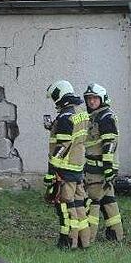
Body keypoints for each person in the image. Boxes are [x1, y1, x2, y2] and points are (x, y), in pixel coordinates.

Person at [44, 80, 92, 249]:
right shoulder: (81, 114)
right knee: (79, 206)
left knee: (65, 206)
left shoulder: (65, 117)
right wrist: (53, 127)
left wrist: (51, 171)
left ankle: (67, 242)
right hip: (77, 166)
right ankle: (83, 242)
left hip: (64, 169)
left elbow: (62, 146)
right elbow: (75, 138)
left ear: (60, 96)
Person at [82, 83, 123, 242]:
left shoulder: (105, 117)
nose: (91, 102)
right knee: (109, 202)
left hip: (98, 169)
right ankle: (116, 234)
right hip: (102, 169)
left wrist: (107, 168)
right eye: (89, 98)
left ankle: (87, 238)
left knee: (92, 202)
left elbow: (109, 144)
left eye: (95, 98)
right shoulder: (97, 115)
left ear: (102, 99)